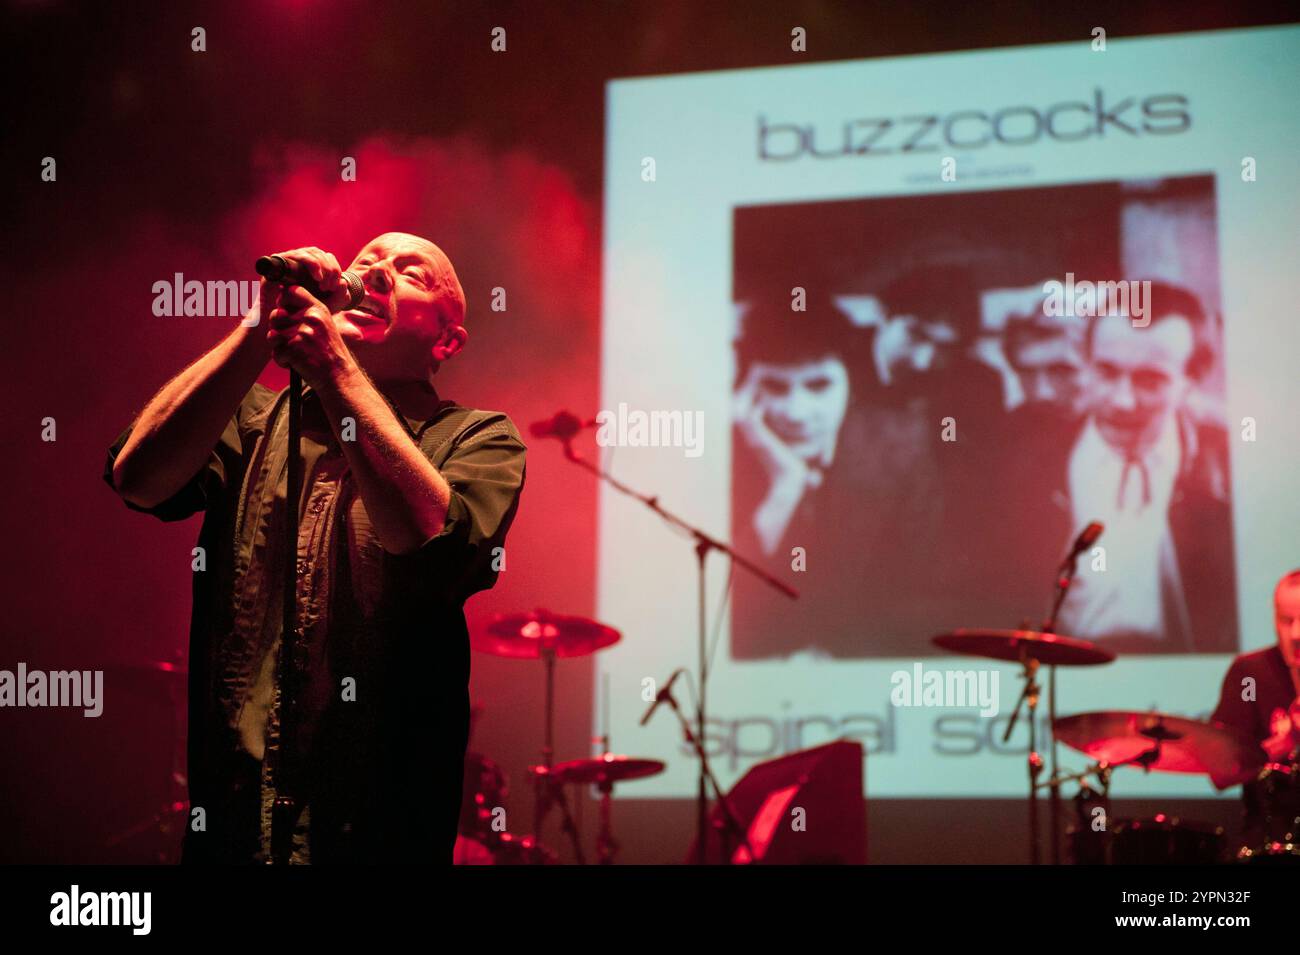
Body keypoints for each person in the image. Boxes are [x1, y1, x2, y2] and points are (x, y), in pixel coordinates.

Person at [105, 233, 526, 863]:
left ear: (447, 341)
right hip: (231, 832)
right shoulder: (251, 417)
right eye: (365, 264)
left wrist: (334, 370)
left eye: (410, 274)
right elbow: (138, 480)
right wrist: (258, 327)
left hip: (377, 839)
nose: (378, 273)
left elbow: (428, 540)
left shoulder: (480, 438)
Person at [996, 280, 1237, 653]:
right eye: (1106, 372)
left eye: (1150, 380)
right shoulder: (1020, 464)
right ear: (1086, 360)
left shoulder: (1228, 470)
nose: (1122, 401)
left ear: (1192, 377)